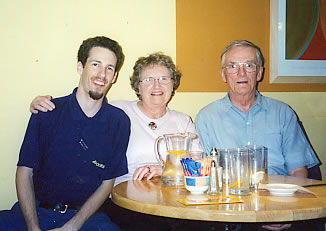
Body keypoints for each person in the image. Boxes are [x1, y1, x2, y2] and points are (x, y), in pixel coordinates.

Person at [29, 52, 204, 230]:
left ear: (173, 83)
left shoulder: (183, 121)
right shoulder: (119, 112)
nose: (157, 85)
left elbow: (200, 165)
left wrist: (164, 170)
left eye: (164, 78)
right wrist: (40, 103)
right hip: (128, 204)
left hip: (175, 202)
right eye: (148, 79)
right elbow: (86, 110)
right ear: (137, 86)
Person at [0, 36, 131, 231]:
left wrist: (72, 227)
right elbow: (24, 173)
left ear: (115, 77)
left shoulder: (119, 122)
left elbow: (107, 183)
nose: (102, 74)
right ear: (80, 67)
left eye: (109, 68)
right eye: (96, 64)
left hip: (85, 219)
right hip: (35, 212)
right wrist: (33, 228)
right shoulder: (47, 112)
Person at [195, 40, 321, 230]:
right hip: (232, 211)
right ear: (223, 74)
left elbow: (297, 171)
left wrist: (287, 212)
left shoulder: (283, 112)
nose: (241, 73)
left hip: (281, 203)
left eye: (249, 65)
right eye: (233, 66)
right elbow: (206, 178)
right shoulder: (206, 117)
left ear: (259, 72)